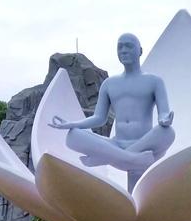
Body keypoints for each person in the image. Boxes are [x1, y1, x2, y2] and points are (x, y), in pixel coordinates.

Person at [48, 33, 175, 190]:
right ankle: (130, 159)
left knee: (168, 132)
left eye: (129, 46)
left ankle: (109, 158)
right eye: (120, 47)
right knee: (73, 136)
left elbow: (164, 113)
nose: (123, 50)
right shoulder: (109, 84)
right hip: (117, 145)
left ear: (140, 51)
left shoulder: (154, 81)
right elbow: (99, 118)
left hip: (144, 144)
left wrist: (164, 119)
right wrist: (72, 123)